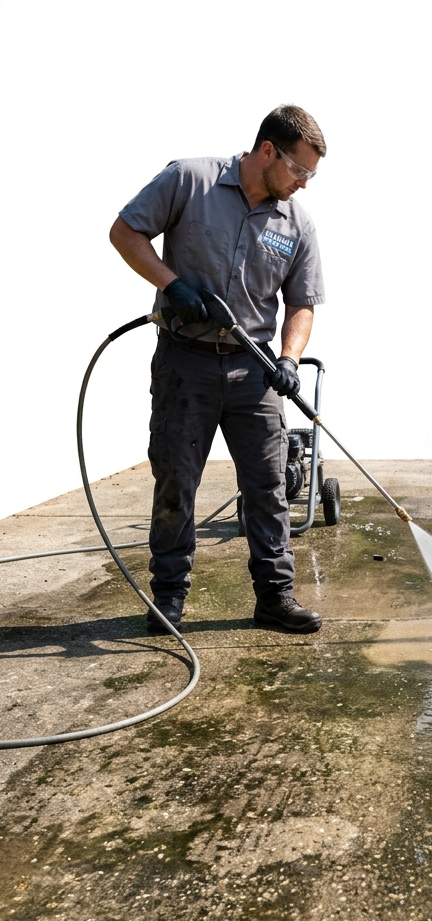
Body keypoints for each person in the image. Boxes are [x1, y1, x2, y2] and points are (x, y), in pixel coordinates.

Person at [110, 104, 327, 635]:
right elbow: (125, 232)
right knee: (175, 484)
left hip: (254, 371)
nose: (302, 185)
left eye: (311, 176)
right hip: (186, 364)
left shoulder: (296, 223)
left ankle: (275, 597)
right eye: (299, 170)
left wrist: (289, 360)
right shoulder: (190, 180)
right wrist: (171, 284)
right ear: (268, 150)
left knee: (269, 487)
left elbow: (302, 304)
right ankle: (168, 599)